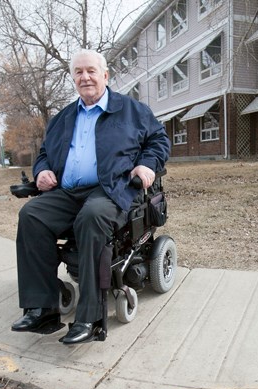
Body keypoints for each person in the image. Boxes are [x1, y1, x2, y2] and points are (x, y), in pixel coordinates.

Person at [12, 49, 170, 344]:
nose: (85, 77)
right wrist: (43, 170)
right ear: (73, 78)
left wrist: (147, 165)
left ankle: (90, 317)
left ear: (105, 76)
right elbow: (45, 153)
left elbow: (159, 141)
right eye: (79, 72)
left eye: (91, 71)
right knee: (31, 216)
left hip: (112, 188)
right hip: (68, 191)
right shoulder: (62, 118)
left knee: (92, 216)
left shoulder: (132, 111)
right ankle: (41, 309)